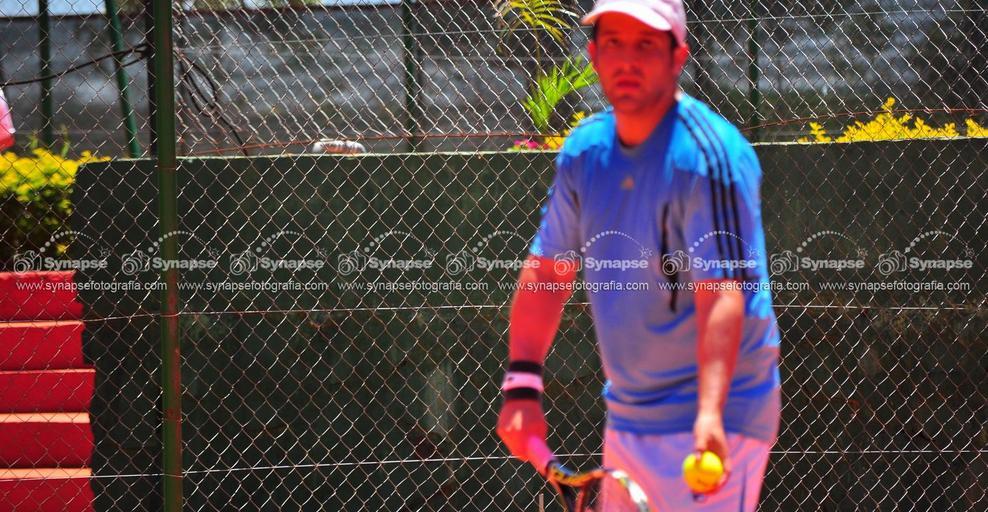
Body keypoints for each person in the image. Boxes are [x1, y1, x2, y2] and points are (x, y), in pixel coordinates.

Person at [495, 0, 782, 510]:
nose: (627, 60)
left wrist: (709, 414)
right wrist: (521, 385)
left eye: (646, 44)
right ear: (593, 56)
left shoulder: (709, 157)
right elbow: (548, 272)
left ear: (678, 58)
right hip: (629, 415)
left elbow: (722, 293)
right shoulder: (584, 154)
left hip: (719, 415)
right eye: (613, 43)